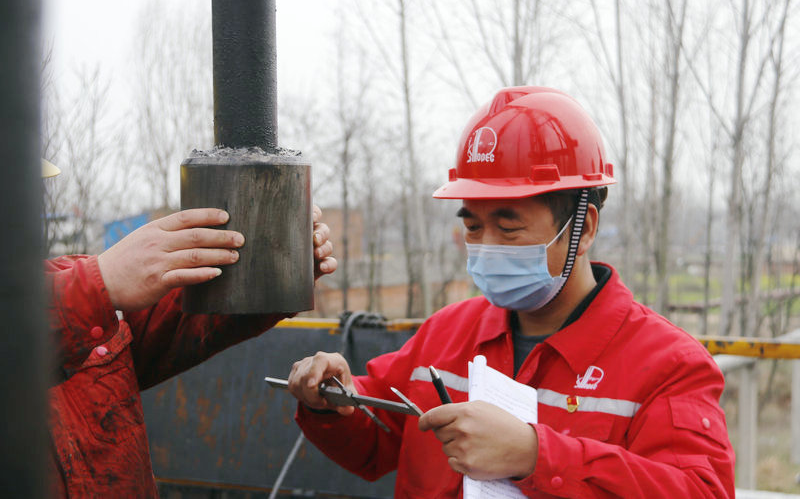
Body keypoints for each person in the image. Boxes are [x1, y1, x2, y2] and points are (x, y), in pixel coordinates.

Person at [287, 87, 735, 498]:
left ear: (583, 228)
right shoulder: (447, 334)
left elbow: (700, 490)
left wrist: (536, 456)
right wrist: (334, 402)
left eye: (509, 226)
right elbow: (375, 446)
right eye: (473, 227)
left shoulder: (667, 365)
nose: (486, 247)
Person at [45, 161, 337, 497]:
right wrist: (98, 283)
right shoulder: (75, 286)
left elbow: (173, 320)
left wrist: (269, 275)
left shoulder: (63, 281)